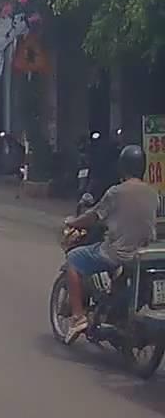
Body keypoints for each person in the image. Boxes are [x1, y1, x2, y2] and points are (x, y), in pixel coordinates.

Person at [62, 144, 159, 343]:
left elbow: (93, 216)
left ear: (122, 167)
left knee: (73, 259)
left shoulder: (116, 192)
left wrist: (73, 222)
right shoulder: (153, 194)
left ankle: (78, 318)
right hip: (143, 254)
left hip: (118, 253)